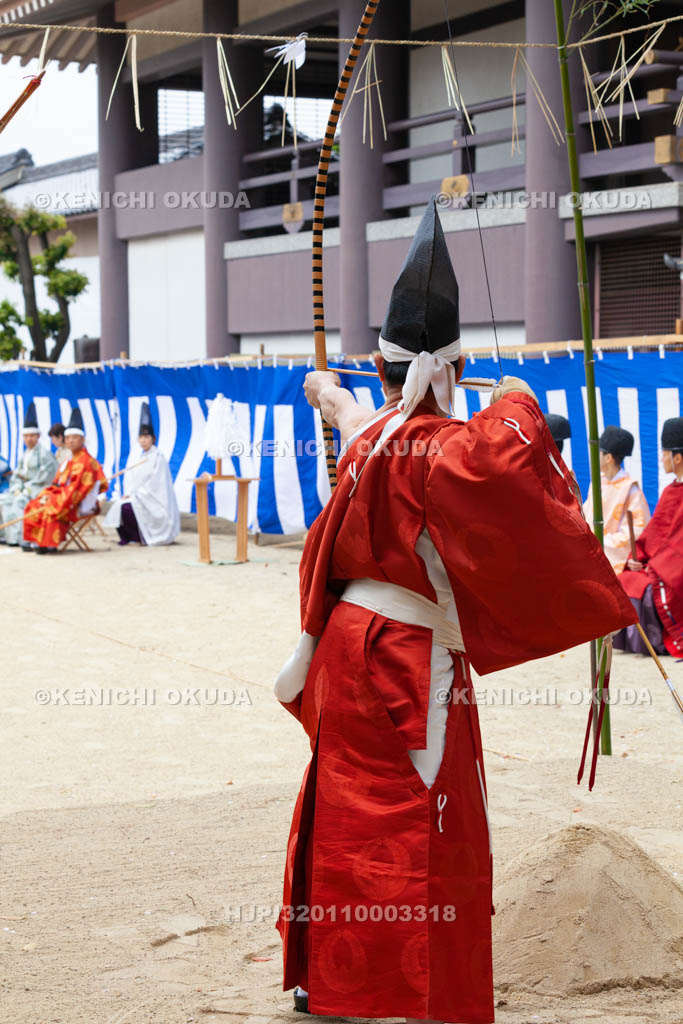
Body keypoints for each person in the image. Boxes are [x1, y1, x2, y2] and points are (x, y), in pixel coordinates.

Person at [272, 198, 636, 1024]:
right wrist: (511, 395)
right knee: (421, 819)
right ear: (454, 367)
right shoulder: (444, 448)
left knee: (343, 808)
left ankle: (325, 979)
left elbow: (349, 413)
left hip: (342, 650)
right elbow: (507, 450)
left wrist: (326, 390)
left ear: (376, 367)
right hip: (406, 658)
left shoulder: (368, 440)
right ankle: (422, 993)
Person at [615, 416, 683, 658]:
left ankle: (662, 640)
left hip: (675, 571)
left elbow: (677, 546)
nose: (661, 458)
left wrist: (655, 566)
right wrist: (639, 559)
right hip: (661, 564)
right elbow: (657, 535)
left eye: (664, 453)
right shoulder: (670, 491)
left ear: (677, 457)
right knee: (627, 578)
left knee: (643, 586)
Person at [23, 406, 106, 553]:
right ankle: (38, 542)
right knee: (36, 503)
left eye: (75, 438)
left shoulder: (86, 462)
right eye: (68, 438)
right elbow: (58, 483)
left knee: (52, 507)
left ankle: (49, 543)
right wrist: (49, 494)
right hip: (66, 495)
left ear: (82, 439)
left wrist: (55, 499)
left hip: (80, 502)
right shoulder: (69, 460)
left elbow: (78, 490)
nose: (71, 441)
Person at [103, 402, 180, 546]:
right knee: (119, 505)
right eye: (141, 437)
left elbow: (157, 484)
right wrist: (130, 492)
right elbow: (134, 480)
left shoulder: (158, 458)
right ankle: (130, 537)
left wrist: (136, 495)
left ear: (153, 439)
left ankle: (139, 536)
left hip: (154, 500)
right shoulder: (140, 458)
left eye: (146, 437)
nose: (143, 440)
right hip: (139, 496)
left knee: (127, 508)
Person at [582, 426, 650, 573]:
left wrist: (598, 542)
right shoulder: (597, 483)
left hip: (611, 562)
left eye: (599, 452)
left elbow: (637, 531)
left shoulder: (631, 489)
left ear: (608, 458)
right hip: (589, 553)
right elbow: (586, 516)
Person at [0, 402, 57, 548]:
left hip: (37, 490)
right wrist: (16, 488)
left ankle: (23, 539)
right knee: (4, 499)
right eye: (26, 436)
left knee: (19, 501)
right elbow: (17, 475)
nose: (29, 439)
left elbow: (47, 476)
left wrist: (27, 490)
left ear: (38, 436)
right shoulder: (23, 455)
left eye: (32, 436)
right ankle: (8, 537)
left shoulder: (44, 454)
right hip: (22, 489)